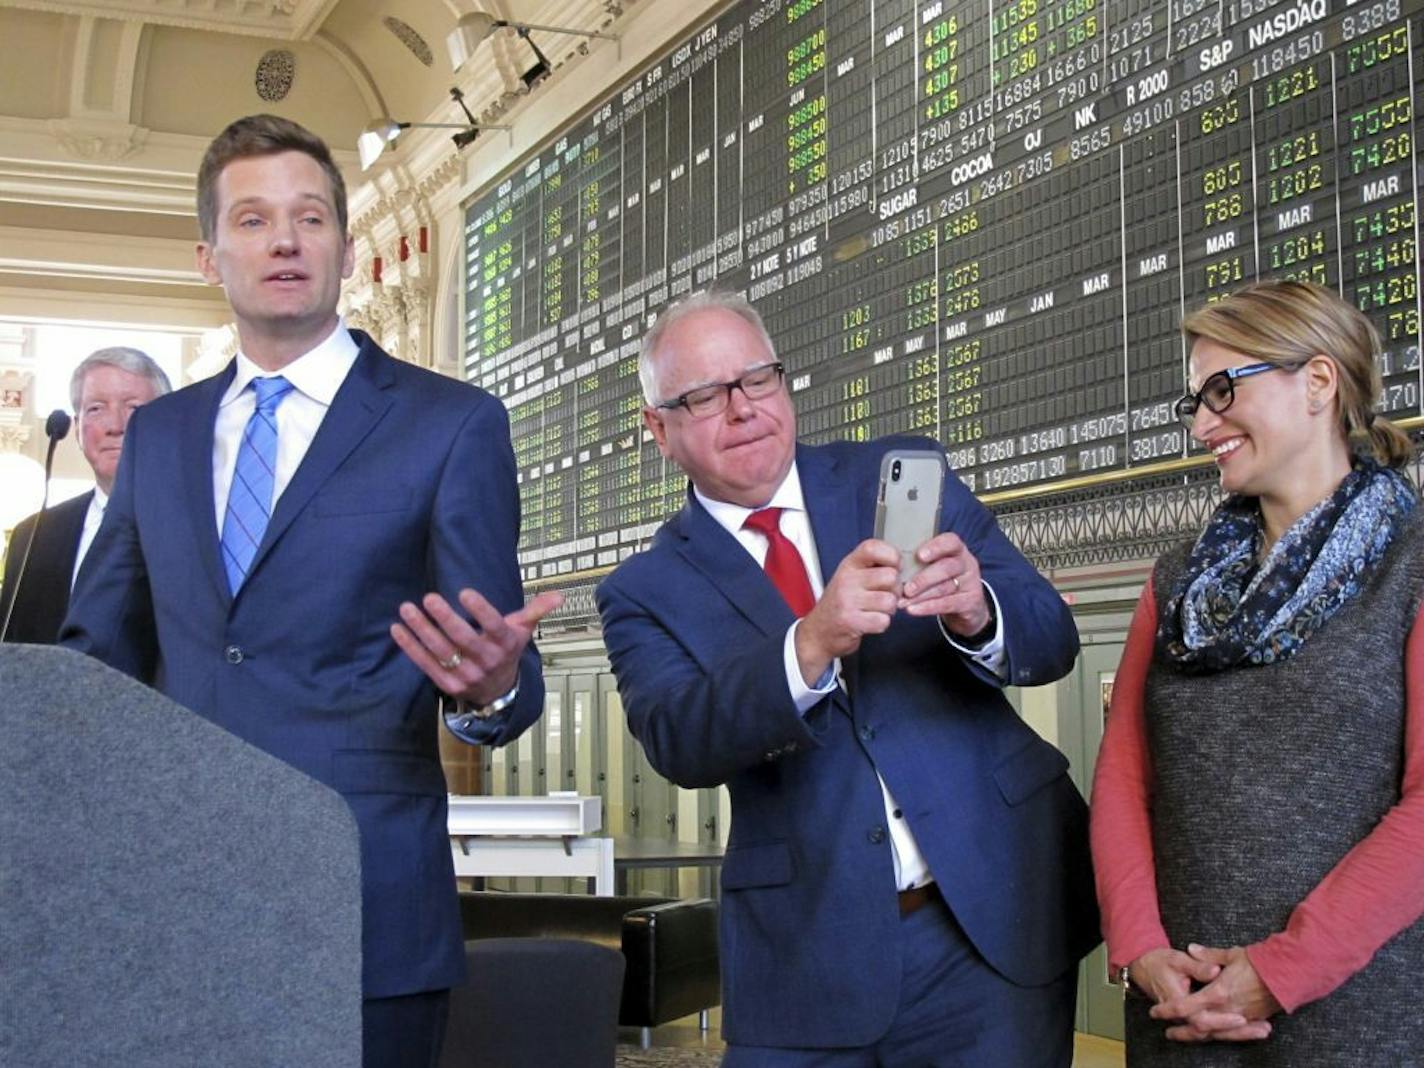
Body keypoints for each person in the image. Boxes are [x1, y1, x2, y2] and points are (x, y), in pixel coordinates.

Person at [61, 114, 561, 1067]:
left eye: (310, 218)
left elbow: (502, 664)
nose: (283, 240)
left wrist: (491, 686)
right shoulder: (159, 437)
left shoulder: (448, 425)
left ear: (343, 245)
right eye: (252, 220)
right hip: (171, 906)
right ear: (210, 256)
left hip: (365, 903)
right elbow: (97, 663)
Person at [596, 290, 1098, 1066]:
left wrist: (977, 611)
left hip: (994, 920)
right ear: (658, 429)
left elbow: (1051, 637)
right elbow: (679, 740)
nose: (742, 409)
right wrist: (808, 644)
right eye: (704, 396)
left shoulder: (897, 477)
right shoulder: (642, 588)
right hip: (807, 954)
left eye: (757, 380)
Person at [1090, 279, 1424, 1065]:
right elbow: (1122, 776)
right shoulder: (1175, 582)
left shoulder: (1412, 567)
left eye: (1222, 390)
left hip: (1353, 1018)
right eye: (1195, 402)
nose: (1204, 424)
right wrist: (1139, 947)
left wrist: (1280, 970)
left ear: (1317, 382)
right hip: (1177, 1007)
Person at [0, 347, 171, 643]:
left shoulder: (201, 524)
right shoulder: (33, 538)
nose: (115, 426)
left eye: (133, 408)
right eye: (95, 408)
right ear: (77, 427)